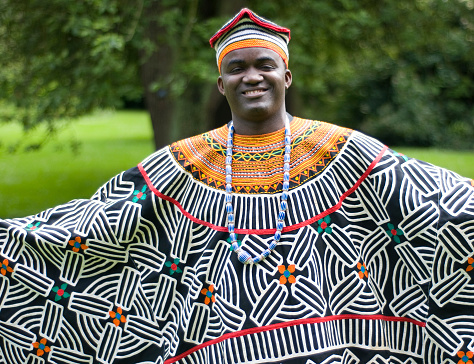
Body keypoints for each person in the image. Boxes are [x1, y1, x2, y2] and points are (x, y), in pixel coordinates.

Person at [1, 8, 473, 364]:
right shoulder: (184, 161)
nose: (252, 76)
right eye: (237, 68)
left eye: (264, 65)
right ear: (221, 83)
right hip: (214, 342)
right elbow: (98, 224)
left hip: (325, 345)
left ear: (286, 75)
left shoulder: (343, 148)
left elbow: (432, 199)